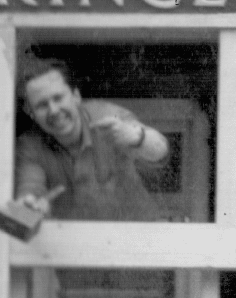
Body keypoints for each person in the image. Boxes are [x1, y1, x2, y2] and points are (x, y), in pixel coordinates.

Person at [14, 56, 171, 223]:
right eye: (42, 105)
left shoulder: (107, 116)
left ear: (76, 96)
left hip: (136, 235)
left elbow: (160, 151)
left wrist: (137, 137)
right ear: (31, 113)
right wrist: (29, 207)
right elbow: (30, 189)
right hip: (75, 242)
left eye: (58, 98)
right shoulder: (29, 145)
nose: (53, 110)